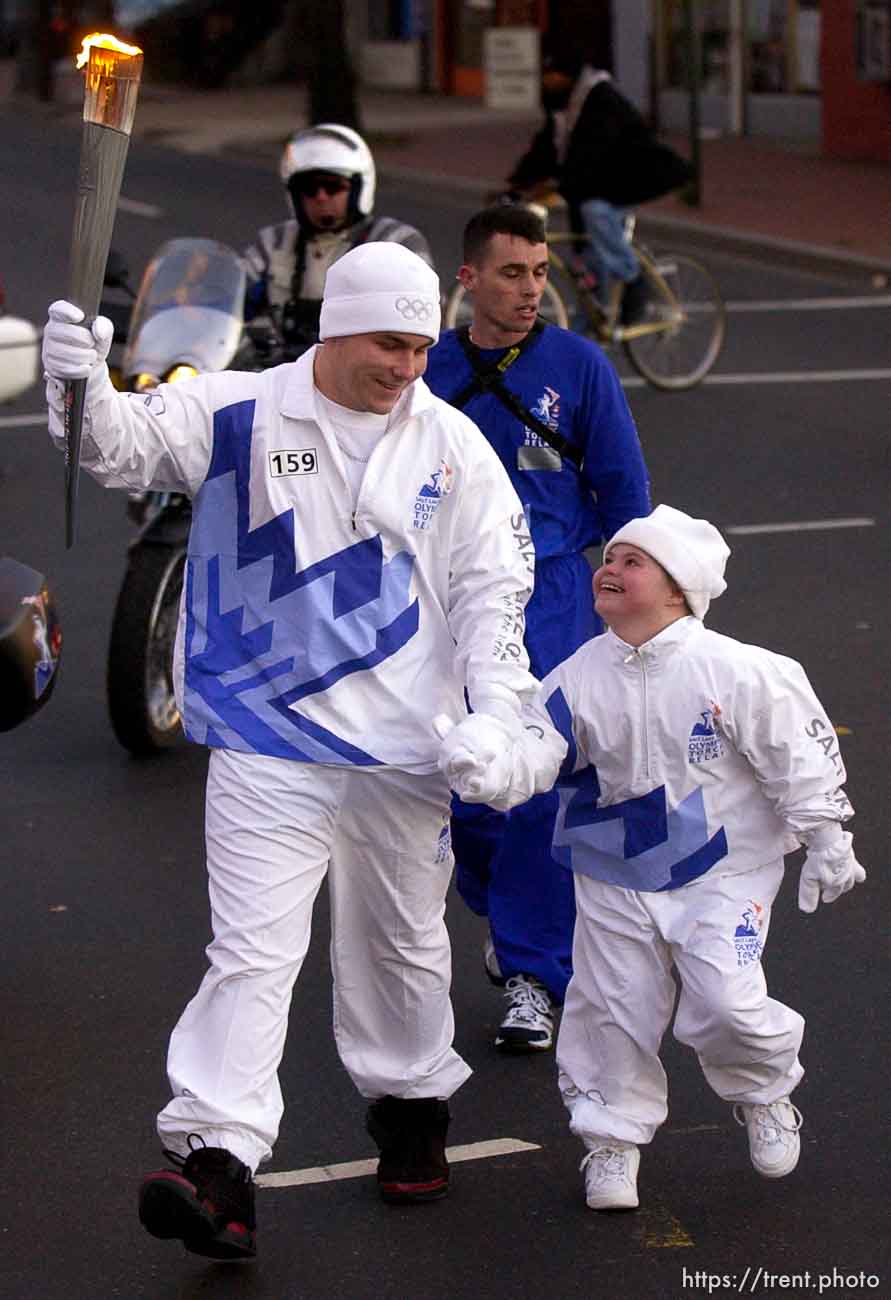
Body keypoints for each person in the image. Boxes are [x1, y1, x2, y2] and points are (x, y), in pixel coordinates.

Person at [40, 242, 542, 1261]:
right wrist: (80, 382)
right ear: (336, 328)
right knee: (253, 950)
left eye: (419, 345)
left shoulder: (450, 447)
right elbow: (124, 450)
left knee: (399, 940)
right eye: (389, 345)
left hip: (404, 749)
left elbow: (495, 597)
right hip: (266, 736)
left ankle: (409, 1107)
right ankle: (219, 1165)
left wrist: (498, 717)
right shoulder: (238, 409)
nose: (408, 366)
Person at [438, 503, 866, 1211]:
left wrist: (826, 836)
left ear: (679, 590)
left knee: (727, 1002)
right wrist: (491, 773)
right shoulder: (577, 674)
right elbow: (537, 751)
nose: (608, 568)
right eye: (607, 558)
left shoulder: (739, 672)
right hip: (613, 870)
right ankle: (609, 1142)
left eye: (632, 562)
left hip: (720, 871)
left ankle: (763, 1094)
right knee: (611, 1010)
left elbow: (798, 758)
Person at [424, 203, 650, 1053]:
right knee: (455, 791)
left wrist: (638, 600)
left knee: (534, 789)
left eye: (541, 272)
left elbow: (625, 493)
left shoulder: (577, 366)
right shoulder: (429, 368)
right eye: (512, 272)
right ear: (469, 279)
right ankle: (500, 909)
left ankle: (532, 973)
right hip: (441, 601)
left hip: (550, 594)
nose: (530, 289)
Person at [507, 53, 692, 322]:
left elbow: (590, 154)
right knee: (587, 263)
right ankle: (591, 328)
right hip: (592, 185)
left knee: (596, 212)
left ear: (567, 75)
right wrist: (517, 184)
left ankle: (634, 277)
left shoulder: (601, 100)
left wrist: (557, 185)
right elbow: (547, 147)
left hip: (631, 178)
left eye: (552, 76)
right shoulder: (563, 103)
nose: (546, 81)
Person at [243, 123, 433, 353]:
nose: (321, 197)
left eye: (333, 187)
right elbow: (235, 297)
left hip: (363, 371)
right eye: (308, 188)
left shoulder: (395, 240)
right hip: (278, 371)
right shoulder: (273, 241)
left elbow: (421, 315)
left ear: (357, 189)